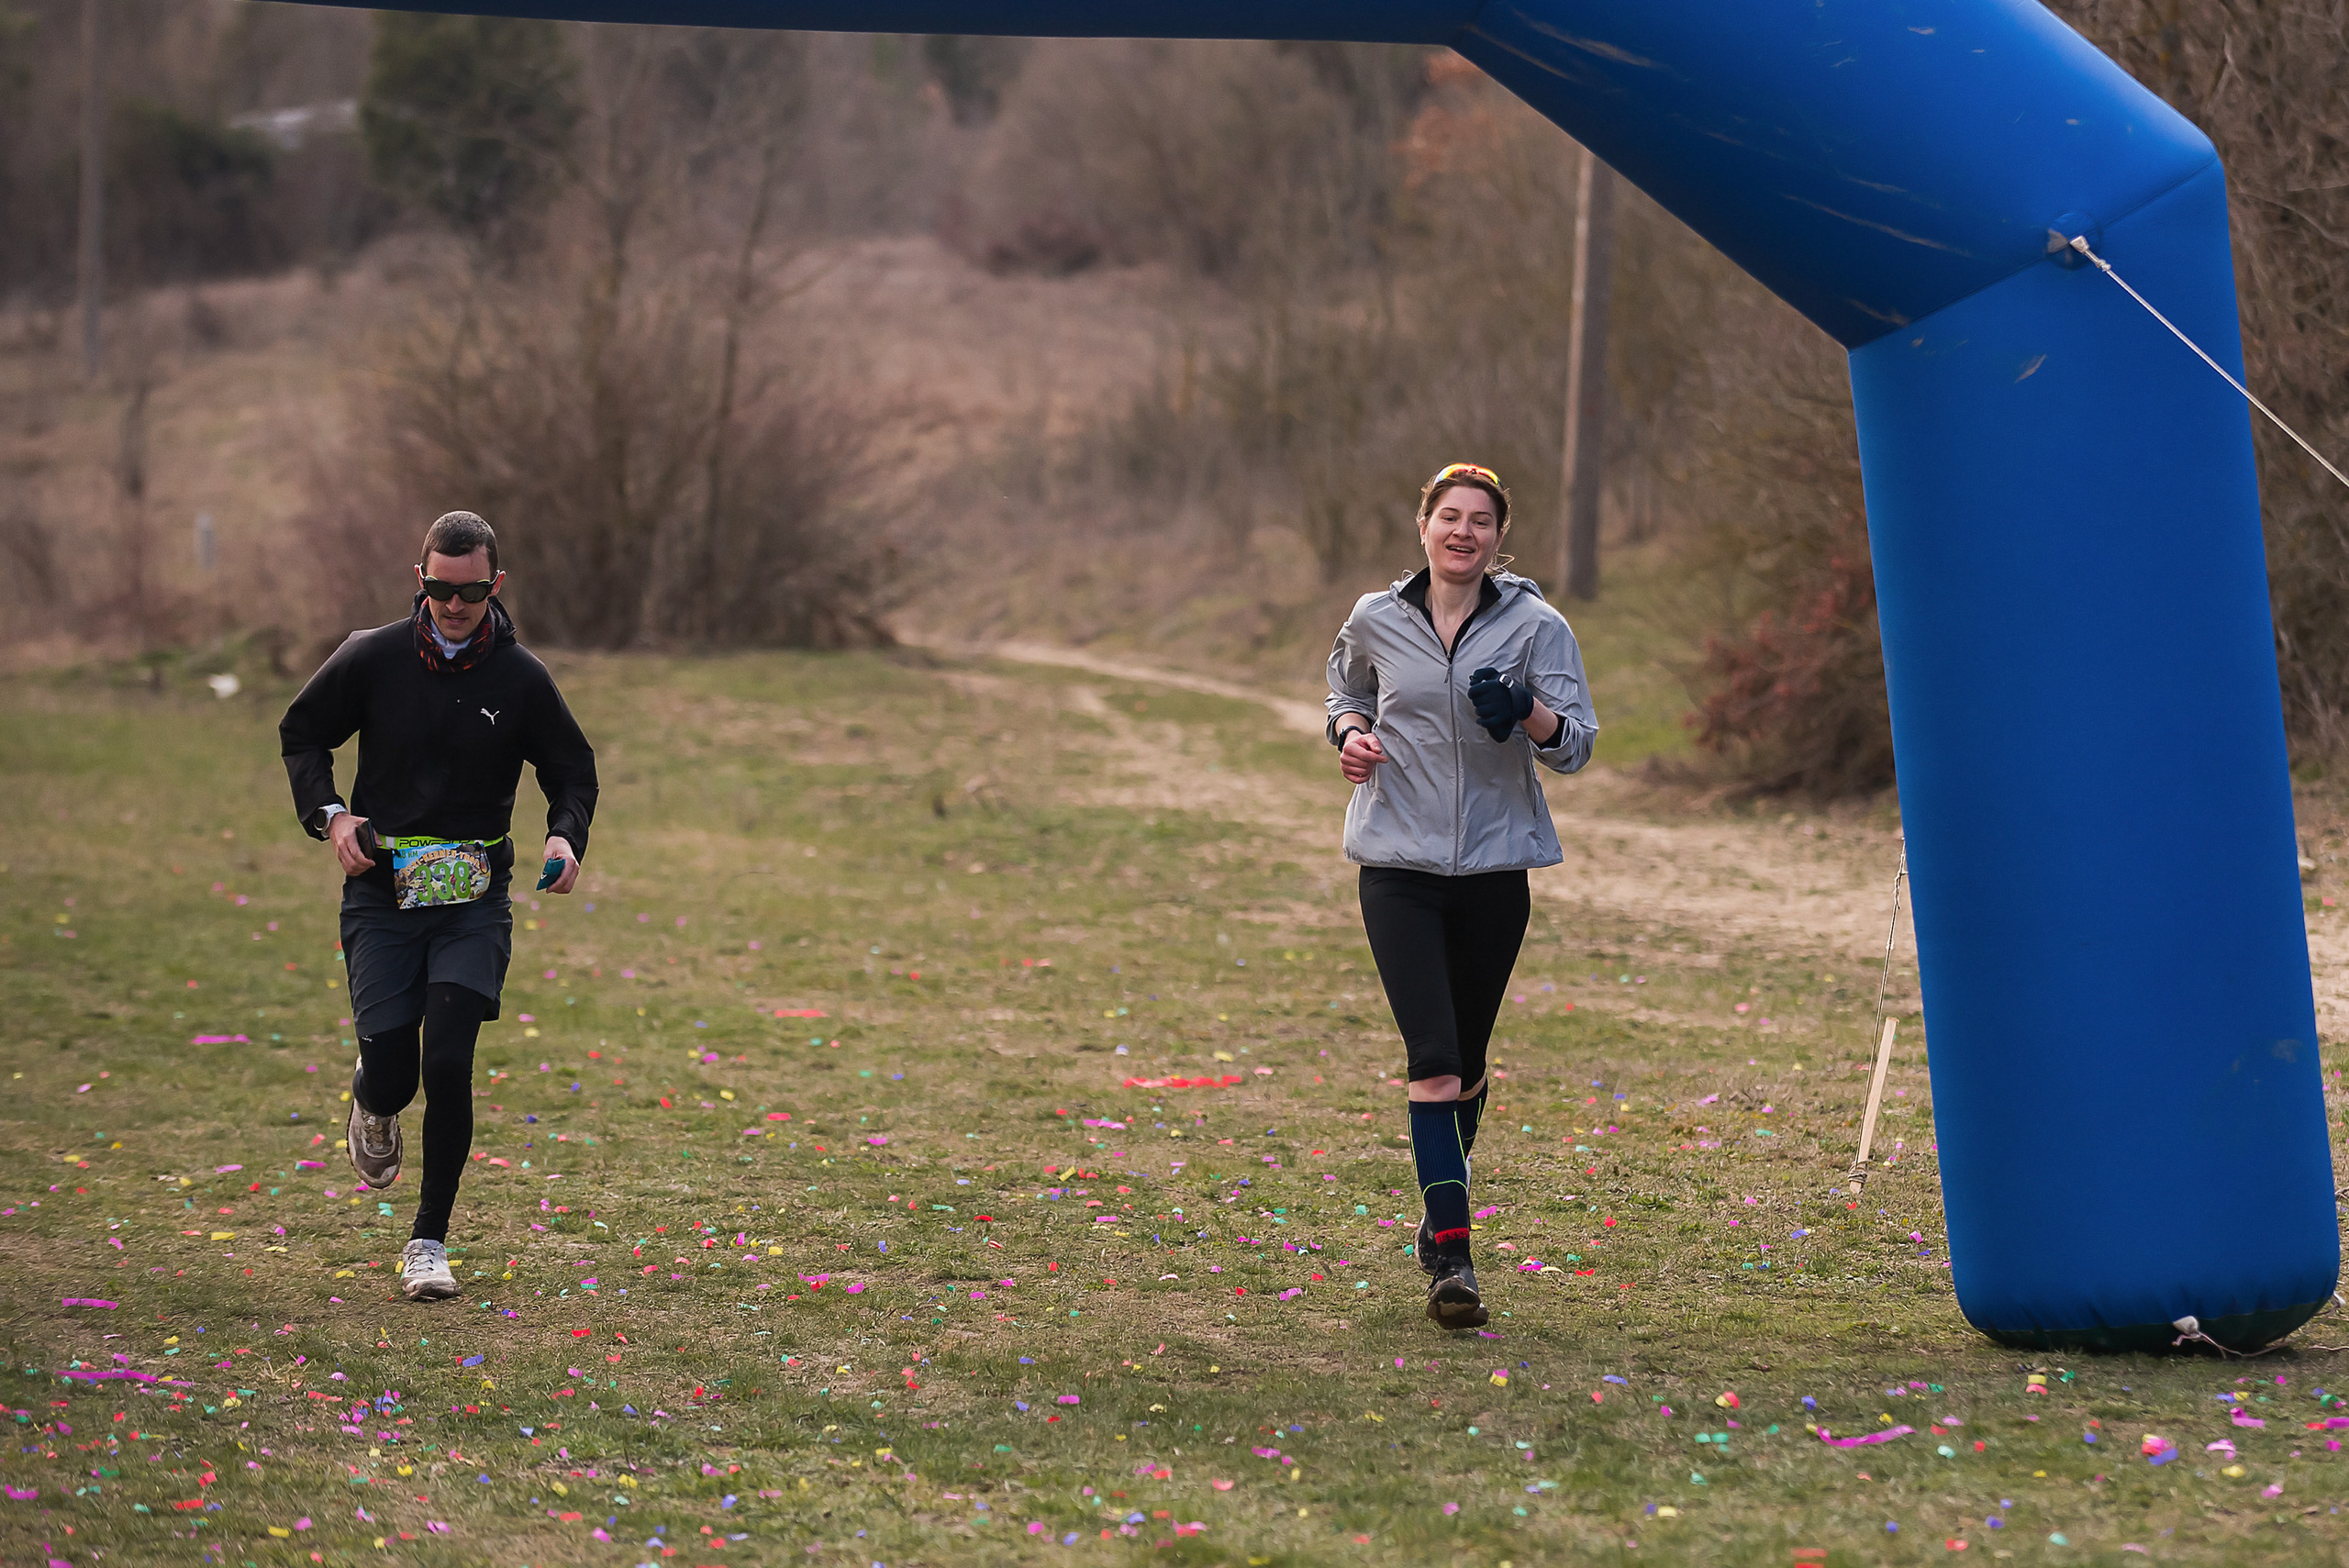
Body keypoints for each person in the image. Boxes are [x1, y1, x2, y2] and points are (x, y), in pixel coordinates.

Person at [281, 511, 598, 1301]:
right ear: (419, 580)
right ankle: (371, 1095)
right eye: (441, 590)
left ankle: (429, 1241)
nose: (456, 606)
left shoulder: (520, 677)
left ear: (497, 586)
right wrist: (332, 816)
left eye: (472, 592)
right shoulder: (373, 657)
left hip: (474, 899)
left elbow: (572, 769)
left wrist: (566, 837)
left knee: (450, 1060)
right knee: (394, 1070)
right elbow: (302, 733)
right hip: (382, 896)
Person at [1325, 463, 1597, 1329]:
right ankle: (1456, 1256)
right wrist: (1350, 734)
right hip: (1397, 866)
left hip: (1492, 872)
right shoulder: (1376, 617)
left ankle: (1438, 1211)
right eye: (1450, 517)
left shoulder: (1537, 627)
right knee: (1434, 1059)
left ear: (1496, 537)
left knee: (1469, 1065)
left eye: (1480, 520)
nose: (1463, 532)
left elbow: (1578, 746)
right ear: (1425, 527)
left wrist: (1526, 710)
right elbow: (1344, 691)